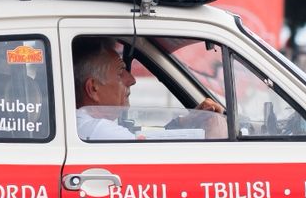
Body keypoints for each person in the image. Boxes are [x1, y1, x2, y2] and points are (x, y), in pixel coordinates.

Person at [72, 37, 224, 141]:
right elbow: (156, 158)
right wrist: (212, 138)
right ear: (93, 88)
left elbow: (147, 143)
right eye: (120, 73)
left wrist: (184, 122)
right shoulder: (100, 131)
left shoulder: (84, 127)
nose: (132, 80)